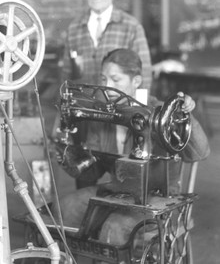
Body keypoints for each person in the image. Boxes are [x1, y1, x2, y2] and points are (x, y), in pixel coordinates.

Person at [52, 48, 210, 249]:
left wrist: (186, 116)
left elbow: (201, 152)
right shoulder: (102, 117)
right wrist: (69, 158)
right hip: (116, 193)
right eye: (103, 79)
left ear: (136, 81)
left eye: (115, 80)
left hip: (159, 199)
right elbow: (94, 172)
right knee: (64, 207)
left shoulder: (160, 113)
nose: (107, 86)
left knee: (114, 227)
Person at [61, 0, 153, 91]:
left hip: (119, 107)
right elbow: (66, 74)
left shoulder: (131, 26)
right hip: (83, 105)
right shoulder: (74, 28)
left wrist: (138, 108)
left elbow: (144, 74)